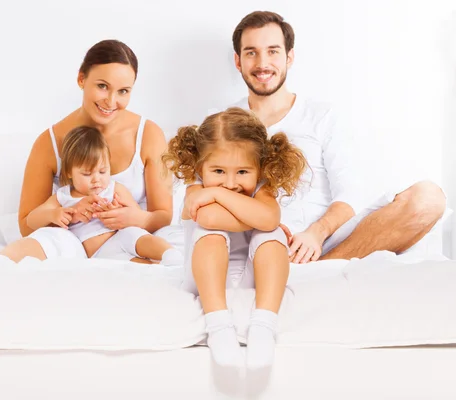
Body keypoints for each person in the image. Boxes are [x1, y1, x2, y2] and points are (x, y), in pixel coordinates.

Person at [226, 11, 446, 263]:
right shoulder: (223, 122)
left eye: (273, 51)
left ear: (289, 57)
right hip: (265, 241)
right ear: (238, 61)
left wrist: (316, 233)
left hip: (328, 238)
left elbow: (350, 192)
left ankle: (321, 267)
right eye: (251, 52)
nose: (262, 63)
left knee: (428, 199)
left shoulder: (322, 115)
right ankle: (299, 269)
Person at [0, 39, 175, 263]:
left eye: (123, 91)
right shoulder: (50, 142)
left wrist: (136, 219)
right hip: (72, 242)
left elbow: (163, 215)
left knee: (150, 256)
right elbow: (27, 225)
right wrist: (69, 214)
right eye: (102, 86)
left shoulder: (148, 135)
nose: (111, 101)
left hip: (125, 242)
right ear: (82, 79)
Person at [162, 107, 307, 370]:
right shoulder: (195, 189)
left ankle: (264, 323)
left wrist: (219, 196)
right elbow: (210, 218)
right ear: (199, 167)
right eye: (218, 171)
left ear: (260, 169)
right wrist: (260, 218)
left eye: (242, 172)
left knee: (273, 235)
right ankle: (218, 324)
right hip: (205, 281)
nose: (230, 183)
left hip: (254, 277)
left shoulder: (258, 188)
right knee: (212, 233)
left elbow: (269, 221)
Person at [44, 125, 183, 264]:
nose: (96, 179)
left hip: (121, 234)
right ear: (69, 172)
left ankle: (169, 253)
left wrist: (121, 211)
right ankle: (158, 269)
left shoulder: (114, 188)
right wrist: (54, 214)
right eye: (87, 174)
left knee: (137, 236)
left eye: (103, 171)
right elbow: (31, 219)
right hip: (100, 252)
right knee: (130, 265)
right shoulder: (64, 196)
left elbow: (136, 215)